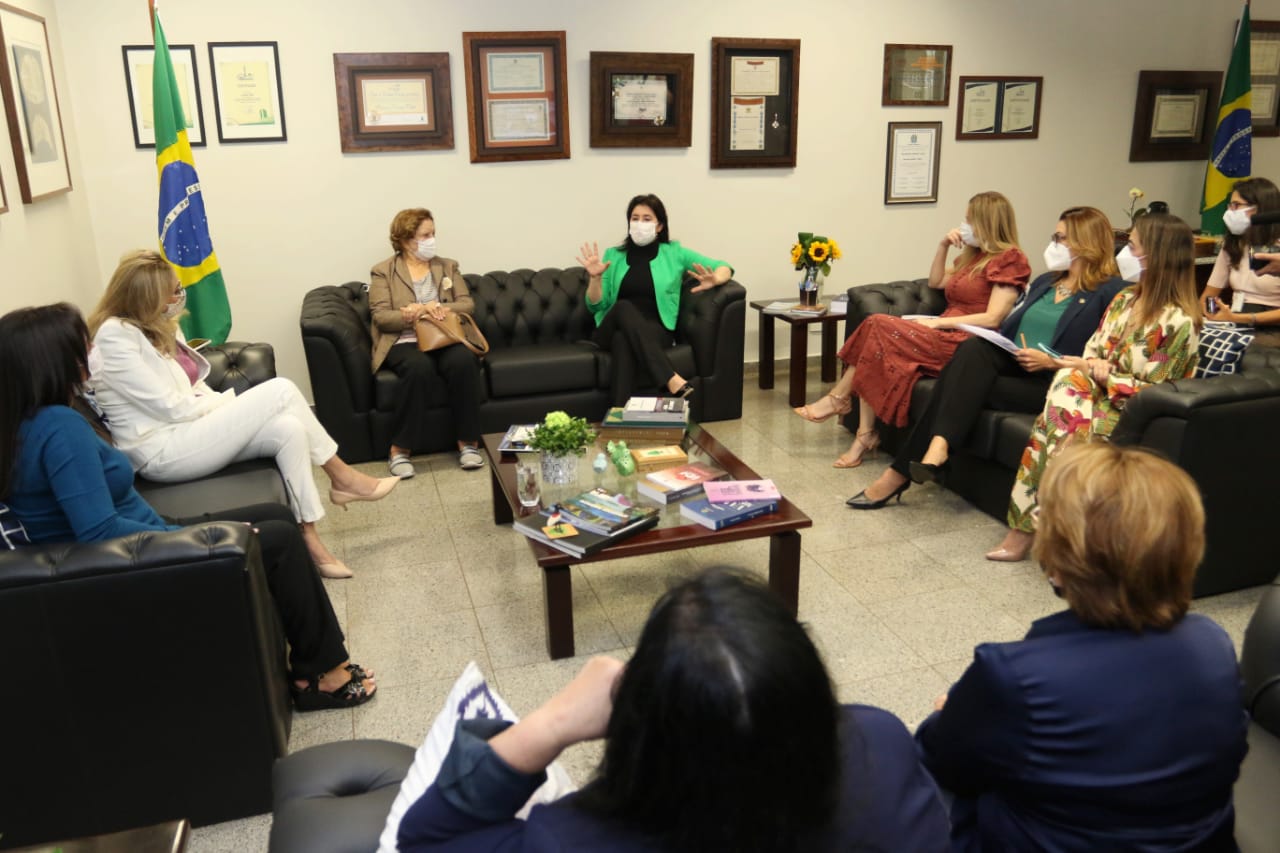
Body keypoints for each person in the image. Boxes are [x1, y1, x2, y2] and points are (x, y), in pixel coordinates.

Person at [397, 569, 949, 852]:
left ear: (640, 724)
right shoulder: (881, 741)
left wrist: (552, 721)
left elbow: (427, 839)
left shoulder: (570, 839)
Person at [0, 303, 377, 711]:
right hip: (136, 557)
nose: (91, 350)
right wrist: (197, 540)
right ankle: (320, 675)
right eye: (83, 344)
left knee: (278, 517)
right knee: (282, 539)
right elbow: (97, 533)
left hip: (143, 531)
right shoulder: (60, 428)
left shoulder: (23, 421)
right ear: (53, 359)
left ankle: (316, 662)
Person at [917, 442, 1248, 851]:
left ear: (1062, 554)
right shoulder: (1214, 643)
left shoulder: (1013, 675)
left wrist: (950, 712)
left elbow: (941, 760)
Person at [87, 250, 396, 580]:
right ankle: (342, 476)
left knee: (289, 428)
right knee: (280, 390)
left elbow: (193, 388)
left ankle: (309, 537)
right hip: (160, 450)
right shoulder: (114, 336)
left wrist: (223, 404)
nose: (180, 297)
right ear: (145, 298)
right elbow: (171, 407)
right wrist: (231, 405)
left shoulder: (158, 325)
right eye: (173, 291)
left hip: (186, 430)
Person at [848, 206, 1126, 509]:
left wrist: (1051, 361)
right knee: (973, 349)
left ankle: (900, 473)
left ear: (1085, 243)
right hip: (1015, 365)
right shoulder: (1047, 282)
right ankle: (936, 448)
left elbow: (1105, 354)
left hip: (1053, 381)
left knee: (954, 388)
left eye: (1060, 238)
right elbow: (1008, 327)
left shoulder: (1111, 292)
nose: (1053, 244)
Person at [990, 212, 1201, 561]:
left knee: (1059, 424)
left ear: (1157, 256)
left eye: (1132, 246)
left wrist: (1106, 375)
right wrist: (1092, 366)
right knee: (1066, 381)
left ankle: (1025, 528)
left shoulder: (1180, 321)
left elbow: (1160, 392)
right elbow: (1091, 353)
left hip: (1127, 409)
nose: (1124, 253)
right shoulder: (1123, 300)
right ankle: (1049, 509)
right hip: (1088, 392)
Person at [794, 191, 1031, 469]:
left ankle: (840, 401)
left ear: (988, 222)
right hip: (943, 331)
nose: (964, 226)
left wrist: (939, 322)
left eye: (970, 220)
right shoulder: (973, 257)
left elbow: (994, 318)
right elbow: (936, 281)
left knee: (878, 325)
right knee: (876, 337)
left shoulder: (1009, 259)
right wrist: (943, 245)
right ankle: (863, 432)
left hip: (969, 344)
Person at [576, 194, 733, 404]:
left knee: (623, 341)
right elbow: (595, 305)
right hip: (609, 326)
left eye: (647, 219)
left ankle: (619, 420)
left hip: (655, 330)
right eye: (635, 218)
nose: (639, 223)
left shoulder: (674, 253)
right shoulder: (613, 255)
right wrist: (595, 279)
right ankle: (669, 377)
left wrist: (716, 279)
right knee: (623, 307)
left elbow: (724, 266)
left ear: (659, 226)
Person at [371, 208, 485, 477]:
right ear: (405, 239)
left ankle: (468, 444)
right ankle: (400, 450)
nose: (431, 239)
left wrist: (440, 307)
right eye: (425, 235)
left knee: (464, 362)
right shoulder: (383, 271)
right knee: (418, 369)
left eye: (433, 234)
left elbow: (467, 303)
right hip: (404, 341)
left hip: (444, 336)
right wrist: (415, 312)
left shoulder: (447, 266)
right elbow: (381, 317)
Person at [1202, 176, 1280, 347]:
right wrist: (1210, 313)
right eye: (1230, 205)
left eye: (1236, 206)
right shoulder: (1233, 244)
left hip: (1270, 327)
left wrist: (1241, 318)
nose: (1230, 211)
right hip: (1235, 318)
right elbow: (1209, 294)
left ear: (1261, 209)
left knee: (1239, 349)